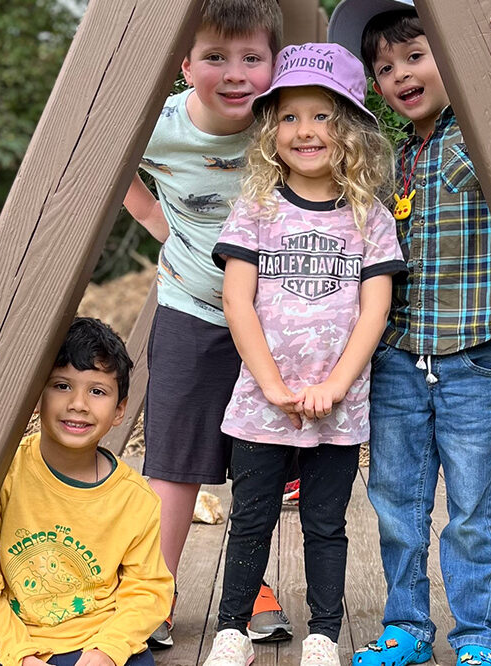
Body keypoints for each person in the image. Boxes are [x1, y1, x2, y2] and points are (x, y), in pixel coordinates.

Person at [326, 1, 491, 664]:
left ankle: (475, 636)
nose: (400, 74)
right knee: (397, 504)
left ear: (453, 58)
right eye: (384, 67)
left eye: (415, 56)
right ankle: (407, 627)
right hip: (395, 357)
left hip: (471, 358)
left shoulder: (482, 134)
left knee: (473, 512)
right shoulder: (389, 157)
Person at [203, 42, 406, 666]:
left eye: (322, 115)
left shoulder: (369, 217)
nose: (305, 130)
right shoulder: (257, 210)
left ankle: (322, 632)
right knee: (252, 518)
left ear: (349, 130)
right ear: (271, 133)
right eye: (288, 117)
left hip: (335, 406)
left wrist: (337, 385)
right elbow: (238, 302)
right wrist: (268, 384)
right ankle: (232, 629)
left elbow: (376, 309)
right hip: (263, 402)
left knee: (325, 524)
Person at [121, 0, 292, 648]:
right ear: (186, 65)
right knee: (173, 460)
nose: (234, 71)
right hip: (192, 306)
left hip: (271, 317)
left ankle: (251, 585)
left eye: (251, 57)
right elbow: (104, 163)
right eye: (216, 57)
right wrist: (154, 221)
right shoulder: (157, 123)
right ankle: (157, 588)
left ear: (272, 66)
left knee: (259, 457)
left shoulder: (282, 124)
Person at [0, 317, 174, 666]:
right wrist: (22, 656)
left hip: (96, 640)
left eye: (97, 391)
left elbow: (147, 590)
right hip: (9, 642)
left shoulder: (135, 500)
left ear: (120, 410)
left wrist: (106, 650)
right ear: (36, 395)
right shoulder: (3, 476)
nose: (78, 404)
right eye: (61, 386)